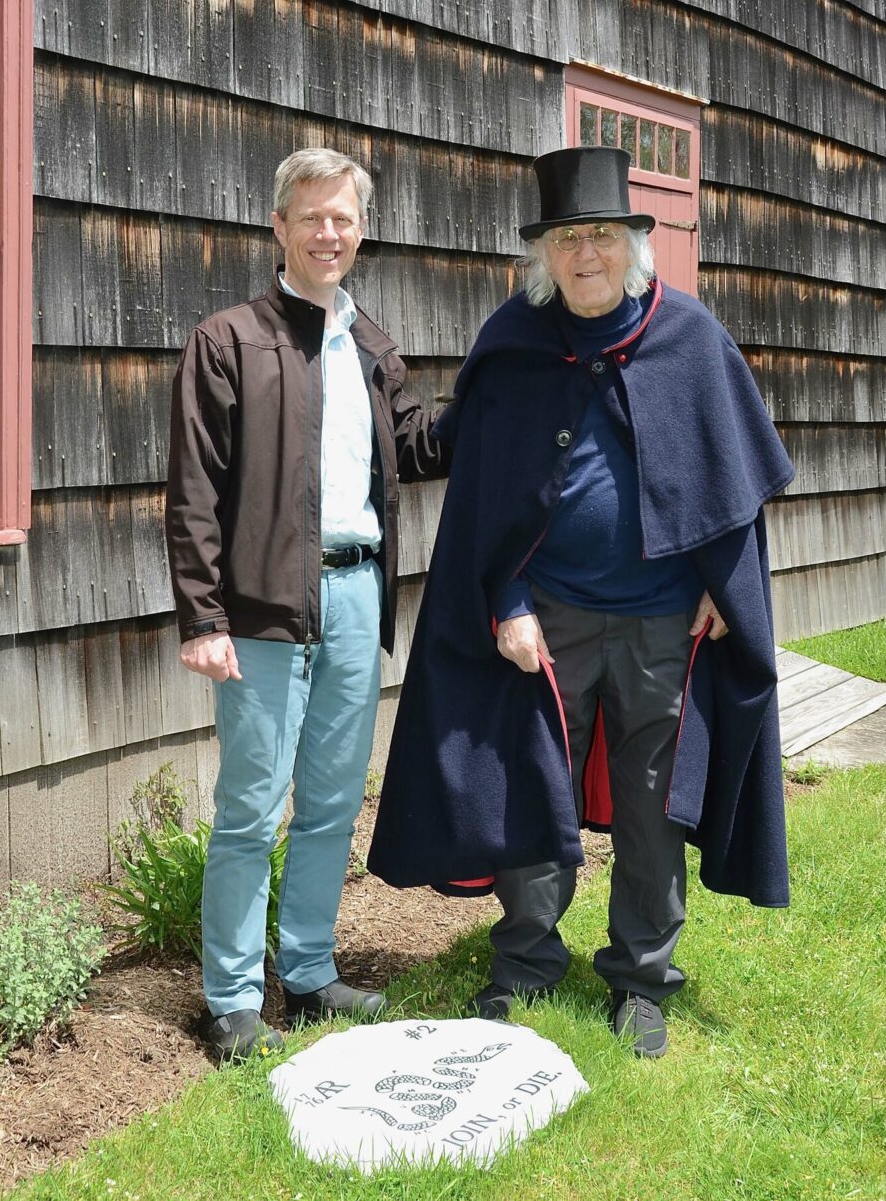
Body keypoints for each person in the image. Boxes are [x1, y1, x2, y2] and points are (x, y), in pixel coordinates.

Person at [367, 146, 795, 1058]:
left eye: (602, 234)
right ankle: (525, 962)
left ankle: (641, 980)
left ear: (636, 243)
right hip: (547, 616)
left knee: (652, 806)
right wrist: (507, 597)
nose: (585, 253)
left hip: (663, 621)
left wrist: (726, 587)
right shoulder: (514, 343)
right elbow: (484, 494)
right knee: (530, 787)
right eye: (567, 238)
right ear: (544, 254)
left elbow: (735, 479)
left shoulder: (691, 339)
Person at [165, 148, 450, 1062]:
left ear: (360, 231)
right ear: (279, 226)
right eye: (313, 217)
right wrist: (203, 619)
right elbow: (195, 491)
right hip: (262, 606)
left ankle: (311, 971)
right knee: (252, 805)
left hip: (360, 590)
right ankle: (234, 996)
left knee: (330, 799)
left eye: (345, 218)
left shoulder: (370, 343)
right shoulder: (229, 340)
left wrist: (492, 395)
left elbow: (410, 446)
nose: (330, 233)